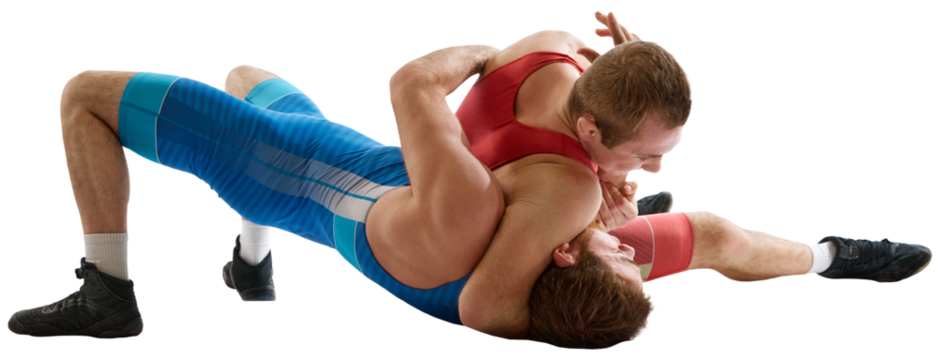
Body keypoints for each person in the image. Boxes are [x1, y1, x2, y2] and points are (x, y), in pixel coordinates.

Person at [10, 10, 931, 350]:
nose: (652, 190)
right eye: (645, 160)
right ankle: (250, 261)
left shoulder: (545, 67)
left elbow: (490, 304)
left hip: (341, 184)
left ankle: (112, 289)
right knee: (249, 76)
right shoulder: (563, 191)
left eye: (621, 253)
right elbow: (509, 302)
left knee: (88, 95)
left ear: (567, 258)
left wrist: (483, 56)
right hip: (396, 180)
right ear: (587, 119)